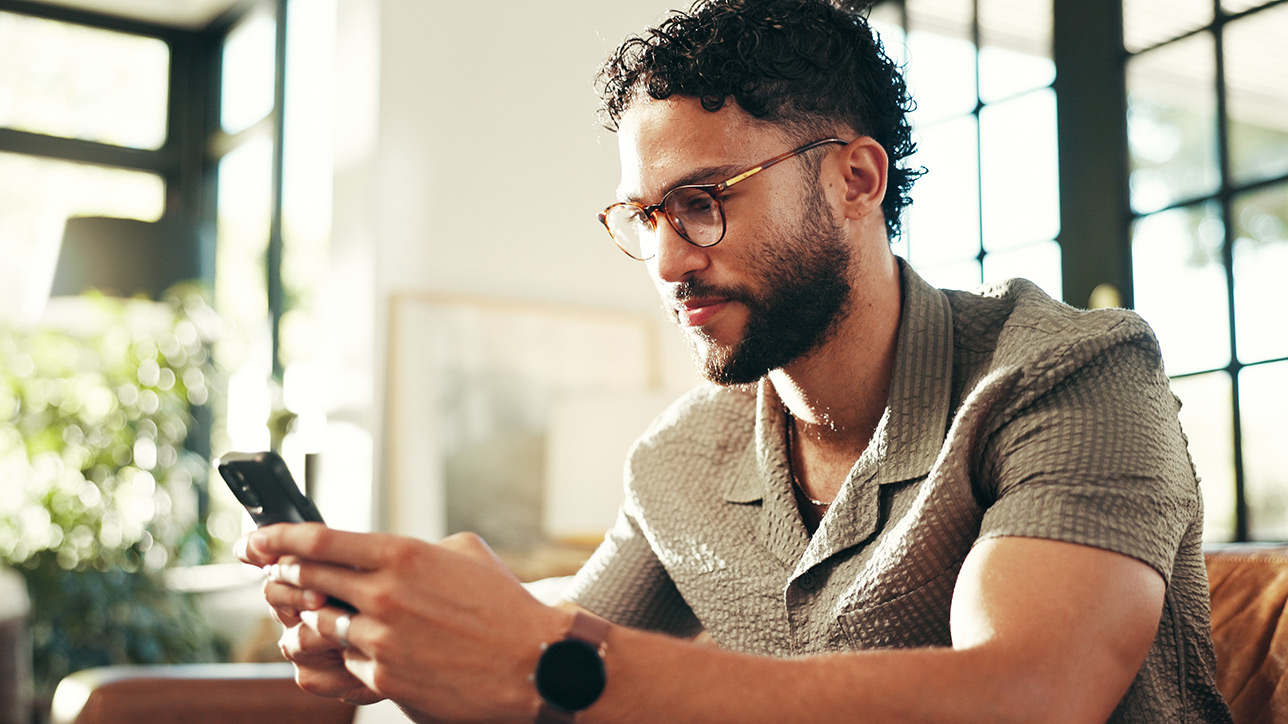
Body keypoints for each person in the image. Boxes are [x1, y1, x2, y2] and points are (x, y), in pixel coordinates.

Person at [236, 1, 1235, 722]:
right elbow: (548, 660)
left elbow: (1027, 695)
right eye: (645, 216)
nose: (667, 260)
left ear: (854, 177)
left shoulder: (1072, 373)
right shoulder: (679, 461)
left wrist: (546, 663)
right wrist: (406, 637)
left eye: (704, 199)